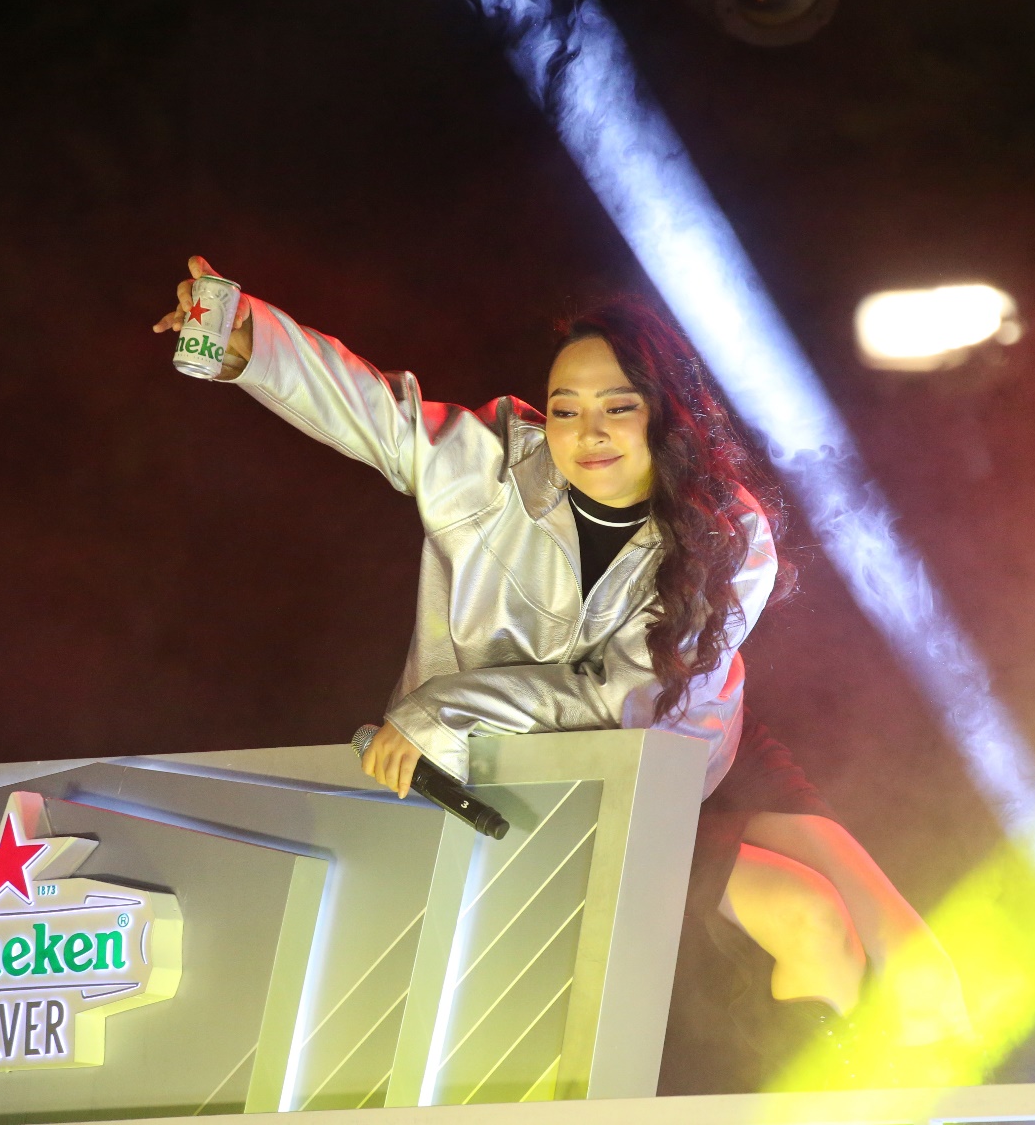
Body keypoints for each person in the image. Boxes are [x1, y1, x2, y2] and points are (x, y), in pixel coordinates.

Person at [153, 256, 969, 1088]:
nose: (587, 432)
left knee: (916, 965)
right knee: (809, 917)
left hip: (687, 738)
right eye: (565, 409)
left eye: (618, 406)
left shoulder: (730, 533)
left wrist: (440, 712)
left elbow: (622, 697)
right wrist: (244, 334)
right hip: (567, 776)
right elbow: (370, 408)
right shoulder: (488, 466)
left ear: (667, 413)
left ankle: (926, 1094)